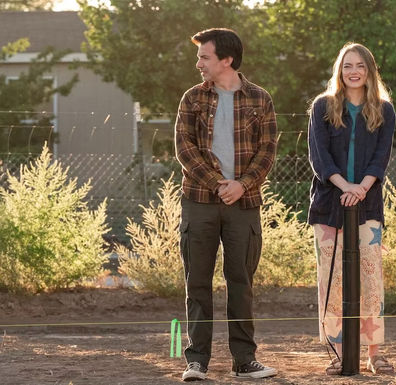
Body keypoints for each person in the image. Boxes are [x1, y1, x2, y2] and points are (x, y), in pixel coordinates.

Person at [174, 28, 278, 381]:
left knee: (241, 282)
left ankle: (244, 360)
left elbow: (267, 151)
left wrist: (242, 185)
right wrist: (218, 184)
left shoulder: (260, 99)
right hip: (199, 201)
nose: (198, 63)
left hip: (244, 204)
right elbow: (183, 148)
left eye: (204, 57)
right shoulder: (191, 98)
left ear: (226, 60)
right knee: (197, 282)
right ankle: (196, 361)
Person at [307, 42, 396, 375]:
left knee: (371, 278)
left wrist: (361, 189)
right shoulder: (322, 107)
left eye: (360, 65)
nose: (354, 71)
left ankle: (375, 353)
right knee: (331, 282)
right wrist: (345, 187)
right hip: (329, 204)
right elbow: (319, 157)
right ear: (339, 71)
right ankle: (338, 352)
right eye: (347, 66)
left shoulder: (384, 110)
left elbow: (381, 157)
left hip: (368, 204)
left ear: (370, 71)